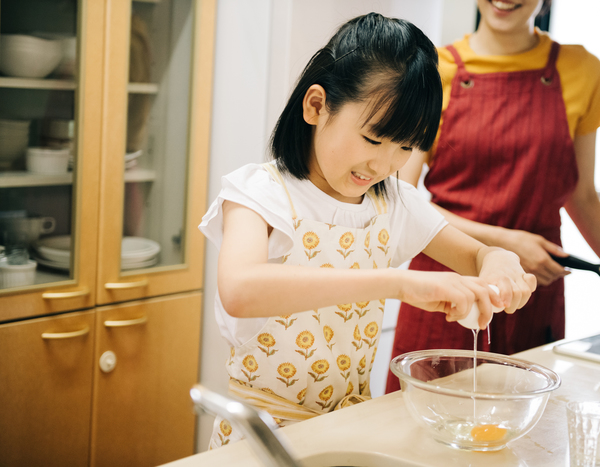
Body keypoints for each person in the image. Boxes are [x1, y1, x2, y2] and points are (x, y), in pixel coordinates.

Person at [199, 12, 537, 448]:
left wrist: (499, 261)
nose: (385, 165)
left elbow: (476, 256)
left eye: (406, 147)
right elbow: (241, 290)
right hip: (261, 441)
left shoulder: (391, 201)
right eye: (374, 139)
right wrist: (399, 282)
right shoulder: (259, 193)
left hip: (350, 432)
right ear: (316, 106)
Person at [385, 0, 600, 393]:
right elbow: (399, 198)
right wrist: (506, 243)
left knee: (524, 437)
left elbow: (583, 196)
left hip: (533, 291)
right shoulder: (433, 70)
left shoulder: (580, 70)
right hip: (446, 287)